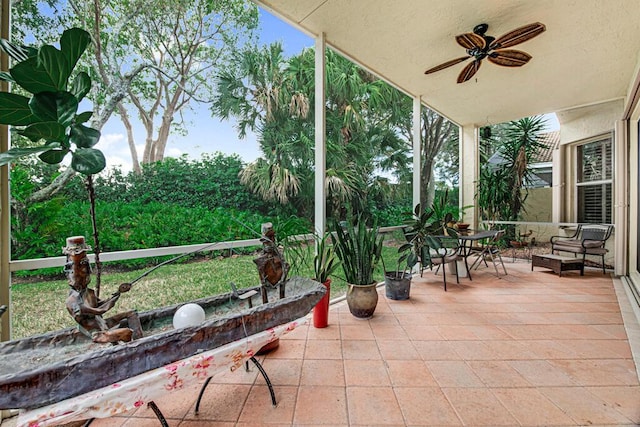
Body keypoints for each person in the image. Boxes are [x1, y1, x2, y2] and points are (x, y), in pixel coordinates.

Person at [63, 236, 142, 344]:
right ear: (70, 274)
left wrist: (118, 293)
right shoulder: (72, 301)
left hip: (103, 323)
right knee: (127, 332)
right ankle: (128, 349)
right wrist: (114, 298)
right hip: (98, 334)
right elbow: (100, 310)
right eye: (80, 271)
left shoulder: (89, 292)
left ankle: (141, 341)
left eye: (86, 268)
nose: (86, 272)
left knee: (132, 313)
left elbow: (101, 304)